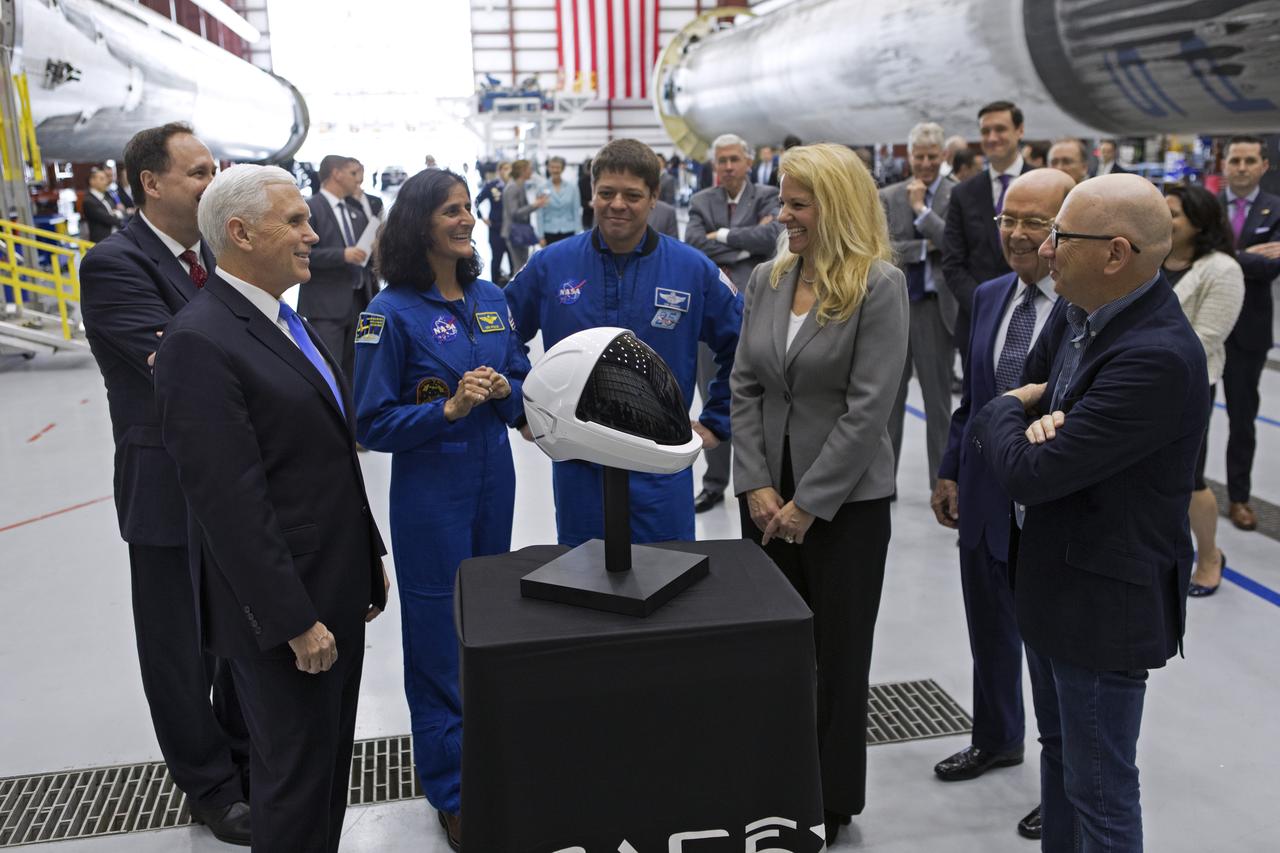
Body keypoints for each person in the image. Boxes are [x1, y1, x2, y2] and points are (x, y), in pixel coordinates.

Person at [154, 164, 389, 853]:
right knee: (294, 784)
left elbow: (325, 458)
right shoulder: (200, 340)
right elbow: (228, 502)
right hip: (285, 610)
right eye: (295, 221)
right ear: (240, 232)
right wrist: (292, 619)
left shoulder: (286, 320)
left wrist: (367, 555)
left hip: (332, 581)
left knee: (326, 770)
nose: (312, 235)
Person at [972, 173, 1208, 852]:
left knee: (1100, 792)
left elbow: (1032, 468)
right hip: (1050, 583)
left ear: (1115, 253)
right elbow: (1035, 406)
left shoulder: (1156, 357)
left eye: (1060, 236)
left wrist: (1004, 411)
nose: (1044, 249)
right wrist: (1030, 417)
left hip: (1102, 607)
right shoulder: (1078, 315)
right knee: (1060, 760)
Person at [79, 123, 251, 846]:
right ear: (152, 183)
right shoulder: (115, 264)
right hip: (167, 484)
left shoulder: (216, 257)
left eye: (214, 168)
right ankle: (209, 785)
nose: (213, 181)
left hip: (234, 477)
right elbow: (178, 365)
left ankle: (243, 758)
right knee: (179, 647)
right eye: (198, 171)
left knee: (239, 630)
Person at [731, 142, 907, 846]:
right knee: (774, 649)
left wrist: (809, 503)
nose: (783, 215)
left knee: (837, 658)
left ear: (834, 207)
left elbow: (869, 409)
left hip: (844, 509)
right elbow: (744, 384)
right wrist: (755, 482)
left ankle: (829, 798)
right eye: (783, 201)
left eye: (798, 204)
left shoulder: (879, 286)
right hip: (766, 500)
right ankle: (774, 781)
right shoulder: (767, 279)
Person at [352, 169, 529, 851]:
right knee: (437, 638)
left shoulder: (491, 297)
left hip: (494, 479)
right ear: (419, 223)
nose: (467, 220)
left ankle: (492, 763)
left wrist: (508, 393)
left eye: (467, 209)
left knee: (488, 624)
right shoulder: (387, 314)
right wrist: (446, 409)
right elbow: (371, 422)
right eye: (452, 211)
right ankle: (452, 791)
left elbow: (519, 378)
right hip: (431, 492)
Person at [930, 168, 1076, 842]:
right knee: (989, 629)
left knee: (1053, 654)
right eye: (1007, 220)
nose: (1016, 234)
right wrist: (950, 470)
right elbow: (974, 397)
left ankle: (1064, 785)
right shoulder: (990, 295)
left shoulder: (1083, 305)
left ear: (1066, 230)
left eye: (1034, 223)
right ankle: (995, 737)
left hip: (1051, 503)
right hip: (987, 495)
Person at [505, 137, 742, 545]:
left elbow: (742, 344)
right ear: (591, 194)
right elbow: (500, 333)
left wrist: (718, 421)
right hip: (580, 462)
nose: (617, 205)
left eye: (632, 195)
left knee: (668, 571)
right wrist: (523, 411)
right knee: (584, 572)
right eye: (606, 193)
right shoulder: (550, 266)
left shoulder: (692, 270)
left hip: (661, 464)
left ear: (654, 198)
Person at [685, 132, 783, 514]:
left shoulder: (768, 196)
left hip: (760, 312)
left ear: (748, 162)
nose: (728, 167)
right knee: (714, 396)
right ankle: (714, 483)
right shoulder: (701, 201)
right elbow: (695, 244)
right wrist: (747, 246)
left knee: (761, 397)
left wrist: (723, 236)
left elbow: (774, 237)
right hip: (713, 316)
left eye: (734, 160)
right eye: (722, 161)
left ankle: (759, 479)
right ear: (714, 166)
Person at [1162, 184, 1244, 596]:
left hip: (1187, 389)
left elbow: (1206, 338)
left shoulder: (1221, 270)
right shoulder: (1151, 257)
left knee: (1189, 478)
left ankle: (1209, 556)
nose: (1165, 219)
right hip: (1138, 382)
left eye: (1174, 213)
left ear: (1198, 221)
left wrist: (1143, 354)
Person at [879, 121, 957, 492]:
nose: (925, 163)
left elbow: (953, 243)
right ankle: (884, 483)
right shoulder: (887, 196)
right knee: (888, 401)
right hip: (893, 311)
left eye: (932, 157)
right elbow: (883, 250)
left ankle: (941, 484)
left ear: (943, 156)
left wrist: (921, 211)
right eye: (919, 156)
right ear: (909, 156)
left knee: (938, 402)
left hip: (934, 310)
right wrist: (926, 248)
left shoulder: (957, 195)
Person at [1218, 135, 1280, 531]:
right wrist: (1245, 257)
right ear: (1224, 164)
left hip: (1249, 332)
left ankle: (1239, 497)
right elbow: (1187, 255)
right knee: (1190, 416)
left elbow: (1271, 268)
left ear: (1264, 166)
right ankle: (1189, 488)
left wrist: (1220, 257)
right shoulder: (1206, 208)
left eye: (1249, 160)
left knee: (1243, 421)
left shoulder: (1276, 208)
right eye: (1235, 160)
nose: (1241, 167)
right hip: (1205, 328)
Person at [943, 100, 1033, 369]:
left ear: (1019, 130)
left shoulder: (1044, 183)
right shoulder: (963, 193)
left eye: (1000, 129)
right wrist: (986, 305)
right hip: (977, 321)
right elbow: (953, 263)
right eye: (985, 131)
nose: (992, 138)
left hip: (1035, 318)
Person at [297, 154, 368, 382]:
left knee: (355, 371)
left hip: (358, 303)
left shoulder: (355, 212)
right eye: (353, 173)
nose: (358, 179)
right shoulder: (310, 208)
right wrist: (342, 255)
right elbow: (301, 253)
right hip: (325, 306)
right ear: (336, 174)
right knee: (328, 372)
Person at [501, 159, 547, 274]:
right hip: (514, 231)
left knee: (522, 265)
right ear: (522, 170)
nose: (531, 171)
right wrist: (534, 205)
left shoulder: (519, 186)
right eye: (529, 169)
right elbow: (514, 213)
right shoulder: (513, 187)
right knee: (519, 268)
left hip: (519, 230)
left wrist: (536, 205)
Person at [476, 162, 512, 284]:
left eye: (509, 168)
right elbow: (476, 201)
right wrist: (482, 217)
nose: (507, 171)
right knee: (497, 258)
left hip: (512, 229)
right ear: (499, 171)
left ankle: (514, 284)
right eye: (505, 168)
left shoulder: (515, 185)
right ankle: (494, 285)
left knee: (514, 260)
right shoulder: (492, 186)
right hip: (496, 228)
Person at [536, 155, 583, 245]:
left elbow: (576, 211)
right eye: (552, 167)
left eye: (558, 167)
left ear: (563, 169)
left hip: (569, 230)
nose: (555, 170)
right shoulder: (541, 188)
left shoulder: (572, 187)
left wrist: (578, 233)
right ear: (548, 168)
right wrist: (540, 236)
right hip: (549, 231)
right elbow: (540, 213)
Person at [83, 166, 122, 241]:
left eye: (105, 178)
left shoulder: (107, 195)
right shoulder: (89, 201)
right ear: (92, 181)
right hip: (102, 241)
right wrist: (118, 214)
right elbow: (109, 219)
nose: (106, 182)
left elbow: (117, 208)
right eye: (101, 179)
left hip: (115, 237)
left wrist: (117, 213)